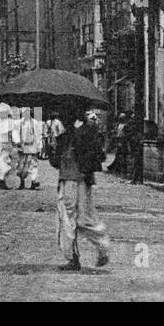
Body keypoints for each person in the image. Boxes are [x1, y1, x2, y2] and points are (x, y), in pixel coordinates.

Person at [52, 108, 110, 270]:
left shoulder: (65, 138)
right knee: (85, 217)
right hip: (84, 180)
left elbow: (55, 162)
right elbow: (100, 156)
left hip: (69, 180)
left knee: (67, 219)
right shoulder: (88, 133)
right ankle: (102, 243)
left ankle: (72, 257)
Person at [13, 107, 42, 190]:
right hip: (22, 146)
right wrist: (17, 141)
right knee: (21, 165)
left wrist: (39, 146)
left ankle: (34, 181)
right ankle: (22, 181)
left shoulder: (35, 123)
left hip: (32, 146)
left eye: (28, 112)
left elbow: (38, 135)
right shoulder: (19, 123)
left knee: (33, 164)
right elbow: (15, 132)